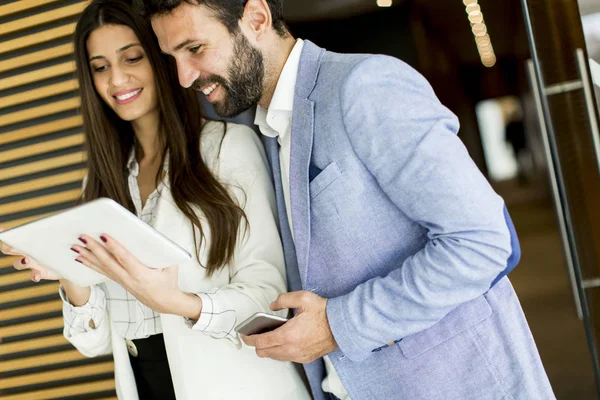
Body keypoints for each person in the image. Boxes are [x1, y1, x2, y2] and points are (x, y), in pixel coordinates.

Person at [138, 0, 555, 399]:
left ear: (257, 18)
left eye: (194, 48)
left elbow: (485, 243)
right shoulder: (266, 134)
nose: (184, 77)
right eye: (172, 58)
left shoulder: (365, 85)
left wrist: (336, 326)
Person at [0, 1, 311, 399]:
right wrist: (67, 269)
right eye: (100, 67)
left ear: (162, 59)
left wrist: (180, 303)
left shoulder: (226, 148)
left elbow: (269, 298)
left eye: (132, 58)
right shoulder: (99, 185)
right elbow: (92, 344)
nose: (117, 79)